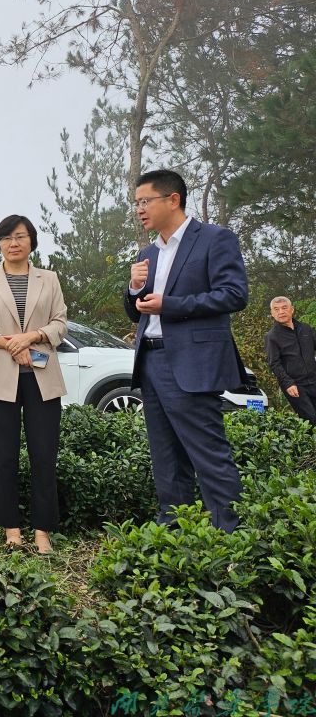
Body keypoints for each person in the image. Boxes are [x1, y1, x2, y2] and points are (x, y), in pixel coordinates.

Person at [124, 169, 249, 533]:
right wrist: (133, 289)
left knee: (208, 453)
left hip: (191, 363)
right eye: (136, 203)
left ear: (173, 200)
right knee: (165, 456)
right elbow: (137, 311)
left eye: (145, 201)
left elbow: (234, 294)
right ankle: (175, 533)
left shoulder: (214, 239)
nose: (139, 210)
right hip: (150, 360)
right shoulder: (148, 253)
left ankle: (230, 536)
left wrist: (171, 304)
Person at [0, 215, 68, 555]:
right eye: (7, 237)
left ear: (31, 241)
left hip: (43, 378)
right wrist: (12, 344)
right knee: (4, 456)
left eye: (20, 236)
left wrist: (32, 336)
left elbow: (60, 324)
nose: (14, 243)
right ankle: (11, 528)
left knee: (44, 455)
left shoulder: (49, 279)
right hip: (0, 380)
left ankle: (42, 530)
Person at [265, 296, 316, 423]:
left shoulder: (306, 329)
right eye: (276, 309)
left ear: (292, 309)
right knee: (311, 419)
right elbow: (274, 363)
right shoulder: (272, 336)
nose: (281, 312)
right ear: (272, 313)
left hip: (314, 379)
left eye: (284, 308)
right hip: (295, 385)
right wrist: (288, 383)